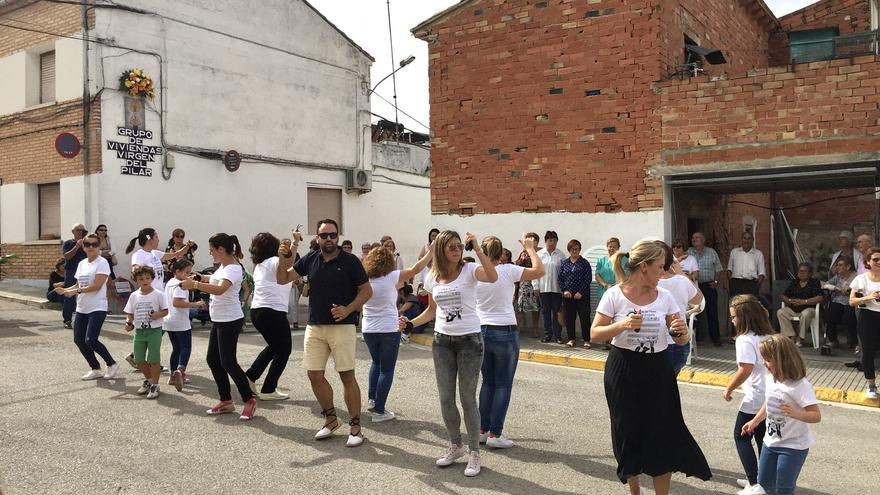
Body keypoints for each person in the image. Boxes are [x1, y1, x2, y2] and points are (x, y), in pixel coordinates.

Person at [590, 240, 711, 494]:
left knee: (663, 433)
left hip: (658, 369)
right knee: (628, 431)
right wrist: (622, 325)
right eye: (659, 267)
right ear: (644, 267)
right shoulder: (615, 294)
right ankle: (635, 490)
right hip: (623, 368)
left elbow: (680, 335)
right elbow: (595, 333)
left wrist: (681, 335)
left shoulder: (665, 296)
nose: (664, 272)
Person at [399, 230, 497, 477]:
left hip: (470, 342)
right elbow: (432, 311)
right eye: (451, 247)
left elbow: (492, 276)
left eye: (459, 246)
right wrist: (411, 323)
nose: (456, 250)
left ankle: (474, 451)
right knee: (445, 398)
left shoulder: (470, 269)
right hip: (442, 342)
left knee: (467, 398)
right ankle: (456, 445)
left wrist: (478, 249)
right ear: (441, 249)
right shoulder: (433, 277)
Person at [279, 219, 372, 447]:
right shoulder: (311, 258)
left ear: (338, 236)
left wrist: (349, 308)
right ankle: (331, 419)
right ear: (318, 238)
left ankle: (356, 426)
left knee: (346, 375)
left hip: (343, 327)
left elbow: (366, 290)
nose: (328, 239)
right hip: (315, 326)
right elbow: (283, 278)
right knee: (314, 374)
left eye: (332, 235)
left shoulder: (349, 261)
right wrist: (286, 255)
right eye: (324, 235)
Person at [475, 234, 543, 449]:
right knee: (503, 384)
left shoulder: (476, 272)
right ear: (500, 252)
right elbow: (539, 271)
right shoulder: (508, 270)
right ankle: (496, 433)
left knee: (488, 382)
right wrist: (530, 249)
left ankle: (482, 430)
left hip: (481, 329)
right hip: (504, 329)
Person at [181, 233, 257, 421]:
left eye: (212, 250)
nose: (210, 253)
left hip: (230, 319)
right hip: (220, 318)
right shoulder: (223, 266)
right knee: (213, 360)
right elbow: (214, 280)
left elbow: (221, 288)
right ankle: (226, 401)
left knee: (228, 362)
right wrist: (201, 277)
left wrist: (196, 284)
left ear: (221, 249)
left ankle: (249, 399)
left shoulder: (233, 268)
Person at [742, 335, 822, 495]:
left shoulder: (800, 385)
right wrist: (755, 421)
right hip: (770, 443)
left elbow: (816, 415)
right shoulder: (771, 378)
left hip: (793, 446)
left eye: (767, 359)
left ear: (782, 360)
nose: (764, 363)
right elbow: (769, 403)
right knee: (764, 485)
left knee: (784, 488)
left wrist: (797, 413)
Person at [361, 244, 433, 422]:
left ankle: (372, 399)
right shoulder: (391, 277)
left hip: (368, 328)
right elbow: (417, 268)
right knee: (387, 369)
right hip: (388, 328)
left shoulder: (364, 278)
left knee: (375, 363)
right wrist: (431, 251)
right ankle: (379, 410)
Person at [723, 295, 773, 495]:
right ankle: (763, 480)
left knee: (741, 436)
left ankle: (754, 484)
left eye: (734, 317)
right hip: (769, 393)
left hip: (755, 396)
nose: (732, 320)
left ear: (744, 317)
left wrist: (729, 388)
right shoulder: (768, 336)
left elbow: (745, 369)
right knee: (761, 438)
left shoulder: (744, 339)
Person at [55, 233, 119, 380]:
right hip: (82, 307)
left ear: (99, 247)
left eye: (94, 244)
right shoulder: (82, 263)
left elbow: (96, 286)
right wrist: (66, 290)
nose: (91, 247)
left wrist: (74, 292)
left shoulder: (102, 262)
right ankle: (95, 368)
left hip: (97, 307)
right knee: (78, 339)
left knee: (91, 340)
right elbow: (78, 284)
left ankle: (112, 364)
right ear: (83, 247)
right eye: (87, 244)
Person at [245, 232, 295, 401]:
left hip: (258, 311)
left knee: (274, 347)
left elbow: (287, 264)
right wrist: (293, 246)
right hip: (272, 311)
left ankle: (250, 376)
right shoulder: (274, 261)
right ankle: (268, 389)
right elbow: (287, 263)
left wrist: (295, 244)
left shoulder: (260, 265)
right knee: (284, 350)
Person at [656, 241, 703, 376]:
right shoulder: (681, 281)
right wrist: (680, 272)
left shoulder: (650, 282)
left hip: (660, 343)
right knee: (669, 386)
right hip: (679, 342)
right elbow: (699, 299)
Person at [123, 265, 169, 399]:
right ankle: (149, 380)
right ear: (136, 280)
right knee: (138, 359)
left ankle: (155, 384)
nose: (145, 281)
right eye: (141, 278)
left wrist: (158, 314)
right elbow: (130, 313)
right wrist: (128, 323)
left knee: (153, 359)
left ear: (152, 279)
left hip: (154, 330)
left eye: (148, 278)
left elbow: (166, 311)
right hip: (139, 331)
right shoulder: (133, 296)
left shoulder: (159, 294)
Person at [165, 259, 204, 391]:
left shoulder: (170, 282)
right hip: (180, 321)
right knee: (186, 347)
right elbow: (177, 303)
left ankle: (172, 375)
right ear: (177, 271)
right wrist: (196, 304)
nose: (188, 275)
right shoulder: (182, 285)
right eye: (186, 272)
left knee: (176, 348)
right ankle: (180, 372)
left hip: (169, 321)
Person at [849, 247, 880, 399]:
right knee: (868, 352)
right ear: (868, 261)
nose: (879, 262)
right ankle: (871, 386)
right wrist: (868, 298)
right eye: (875, 259)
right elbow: (852, 301)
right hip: (867, 317)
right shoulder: (860, 279)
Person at [127, 228, 192, 292]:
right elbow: (135, 271)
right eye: (156, 237)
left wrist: (188, 245)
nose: (158, 240)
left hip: (160, 292)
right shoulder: (138, 255)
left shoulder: (155, 253)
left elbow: (177, 254)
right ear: (150, 240)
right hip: (149, 293)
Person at [777, 262, 824, 348]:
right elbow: (783, 295)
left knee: (805, 314)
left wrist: (804, 301)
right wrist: (788, 300)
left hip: (809, 308)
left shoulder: (814, 282)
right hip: (794, 308)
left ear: (810, 273)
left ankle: (800, 338)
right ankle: (791, 335)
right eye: (799, 271)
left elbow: (820, 298)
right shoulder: (795, 282)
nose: (801, 273)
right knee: (781, 312)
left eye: (804, 271)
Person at [689, 232, 723, 347]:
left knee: (712, 312)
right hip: (694, 287)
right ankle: (695, 340)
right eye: (693, 237)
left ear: (703, 240)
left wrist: (716, 282)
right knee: (694, 313)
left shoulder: (711, 252)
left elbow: (718, 269)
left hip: (708, 286)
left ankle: (716, 339)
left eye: (697, 237)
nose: (694, 239)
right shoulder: (688, 252)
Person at [560, 239, 592, 348]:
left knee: (585, 318)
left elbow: (588, 279)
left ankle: (587, 340)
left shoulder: (584, 263)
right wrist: (565, 290)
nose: (575, 251)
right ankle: (571, 339)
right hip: (568, 296)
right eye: (573, 249)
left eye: (577, 249)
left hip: (582, 296)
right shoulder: (564, 263)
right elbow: (560, 279)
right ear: (569, 250)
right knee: (569, 318)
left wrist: (580, 292)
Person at [537, 230, 566, 344]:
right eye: (550, 240)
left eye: (554, 240)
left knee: (556, 312)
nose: (552, 242)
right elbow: (536, 271)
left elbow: (564, 272)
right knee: (545, 312)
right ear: (545, 241)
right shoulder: (539, 255)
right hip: (543, 288)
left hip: (557, 289)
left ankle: (558, 335)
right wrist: (535, 286)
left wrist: (564, 288)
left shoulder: (560, 255)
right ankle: (547, 334)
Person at [824, 255, 856, 349]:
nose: (837, 267)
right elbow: (824, 284)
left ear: (848, 266)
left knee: (849, 316)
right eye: (837, 265)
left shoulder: (856, 276)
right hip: (837, 302)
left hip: (850, 302)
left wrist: (849, 290)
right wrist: (835, 288)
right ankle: (833, 340)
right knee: (829, 314)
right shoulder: (838, 277)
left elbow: (857, 289)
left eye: (840, 265)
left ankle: (854, 341)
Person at [595, 237, 621, 350]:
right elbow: (597, 275)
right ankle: (607, 341)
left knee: (616, 317)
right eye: (610, 246)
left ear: (618, 248)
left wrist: (616, 285)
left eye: (614, 247)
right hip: (604, 291)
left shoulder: (622, 260)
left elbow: (626, 275)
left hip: (618, 292)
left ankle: (615, 341)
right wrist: (605, 285)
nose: (611, 248)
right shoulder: (601, 260)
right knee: (605, 317)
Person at [61, 223, 88, 328]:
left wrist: (84, 246)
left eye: (83, 230)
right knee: (69, 295)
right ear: (73, 232)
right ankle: (67, 320)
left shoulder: (88, 243)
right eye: (78, 230)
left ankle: (85, 320)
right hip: (72, 272)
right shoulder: (68, 243)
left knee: (86, 294)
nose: (80, 232)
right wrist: (77, 246)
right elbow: (67, 256)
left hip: (85, 272)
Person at [515, 232, 541, 338]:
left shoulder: (540, 252)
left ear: (537, 241)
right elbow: (519, 265)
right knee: (521, 306)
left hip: (537, 281)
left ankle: (535, 329)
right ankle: (516, 329)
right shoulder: (523, 252)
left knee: (536, 307)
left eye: (532, 240)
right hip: (525, 282)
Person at [727, 231, 766, 298]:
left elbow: (762, 273)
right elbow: (729, 270)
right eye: (744, 238)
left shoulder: (758, 254)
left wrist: (756, 286)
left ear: (753, 240)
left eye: (749, 238)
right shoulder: (734, 252)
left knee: (750, 307)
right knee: (735, 307)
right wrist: (731, 283)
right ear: (741, 239)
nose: (746, 240)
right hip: (736, 284)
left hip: (751, 285)